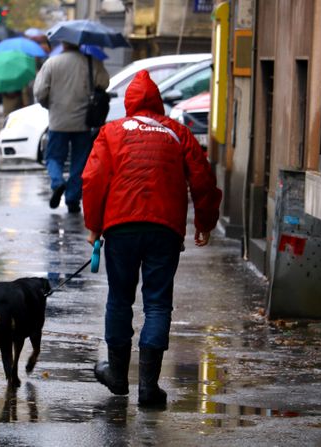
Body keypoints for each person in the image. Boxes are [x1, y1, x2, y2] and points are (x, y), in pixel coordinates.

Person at [81, 70, 222, 408]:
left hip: (121, 227)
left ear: (129, 103)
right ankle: (148, 386)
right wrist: (204, 223)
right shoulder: (178, 132)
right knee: (157, 302)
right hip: (164, 229)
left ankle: (117, 374)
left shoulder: (112, 132)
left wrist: (94, 226)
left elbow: (93, 179)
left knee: (119, 298)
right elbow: (203, 180)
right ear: (158, 102)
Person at [33, 41, 109, 213]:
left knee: (53, 157)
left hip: (58, 120)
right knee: (79, 162)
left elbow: (39, 92)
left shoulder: (52, 62)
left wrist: (49, 104)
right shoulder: (91, 62)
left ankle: (57, 182)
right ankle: (73, 199)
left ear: (64, 44)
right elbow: (104, 83)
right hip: (83, 122)